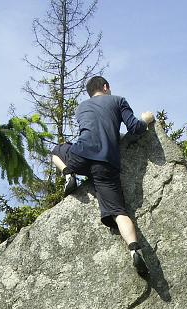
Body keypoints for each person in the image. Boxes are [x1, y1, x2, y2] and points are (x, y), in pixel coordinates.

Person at [51, 76, 155, 278]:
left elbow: (92, 129)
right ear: (106, 87)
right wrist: (147, 119)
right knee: (118, 212)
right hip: (106, 162)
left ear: (90, 92)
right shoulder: (118, 100)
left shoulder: (81, 107)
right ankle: (135, 249)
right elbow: (134, 128)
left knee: (56, 151)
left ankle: (68, 174)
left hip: (81, 155)